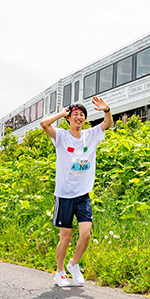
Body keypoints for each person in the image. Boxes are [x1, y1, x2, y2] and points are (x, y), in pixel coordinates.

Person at [40, 96, 113, 287]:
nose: (79, 117)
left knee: (86, 234)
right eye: (75, 115)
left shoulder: (91, 135)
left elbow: (107, 123)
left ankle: (74, 264)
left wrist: (106, 110)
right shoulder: (62, 136)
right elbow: (43, 124)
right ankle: (59, 271)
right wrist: (62, 113)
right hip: (64, 194)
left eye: (82, 115)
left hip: (83, 194)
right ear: (69, 119)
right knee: (65, 236)